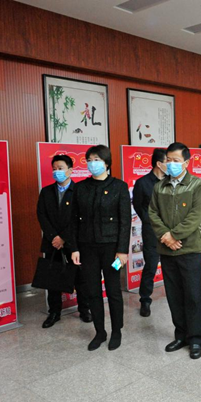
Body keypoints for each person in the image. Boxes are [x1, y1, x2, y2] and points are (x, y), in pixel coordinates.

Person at [149, 142, 201, 359]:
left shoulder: (196, 185)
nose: (171, 164)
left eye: (176, 160)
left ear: (186, 162)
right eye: (168, 160)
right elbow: (152, 213)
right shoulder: (159, 186)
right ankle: (181, 335)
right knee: (173, 296)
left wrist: (174, 236)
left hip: (188, 249)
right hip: (167, 250)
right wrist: (165, 236)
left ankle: (196, 339)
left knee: (192, 296)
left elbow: (195, 216)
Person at [71, 145, 131, 352]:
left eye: (96, 159)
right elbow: (73, 221)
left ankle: (116, 331)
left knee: (113, 291)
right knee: (93, 291)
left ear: (106, 163)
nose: (92, 163)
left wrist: (122, 251)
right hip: (87, 247)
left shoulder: (119, 187)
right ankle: (100, 332)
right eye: (89, 160)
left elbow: (125, 221)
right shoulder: (80, 187)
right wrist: (74, 248)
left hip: (111, 248)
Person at [36, 155, 91, 328]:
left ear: (70, 170)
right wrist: (54, 237)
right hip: (52, 242)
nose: (56, 171)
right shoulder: (46, 192)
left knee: (81, 278)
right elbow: (41, 215)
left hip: (74, 242)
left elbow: (79, 218)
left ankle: (84, 309)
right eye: (54, 168)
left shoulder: (79, 191)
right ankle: (54, 312)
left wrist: (64, 238)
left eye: (60, 168)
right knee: (53, 278)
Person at [132, 148, 167, 317]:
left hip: (171, 232)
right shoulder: (142, 183)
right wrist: (149, 221)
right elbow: (138, 206)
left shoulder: (171, 181)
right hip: (151, 231)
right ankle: (145, 300)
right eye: (168, 161)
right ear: (159, 164)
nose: (171, 165)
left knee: (172, 266)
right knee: (151, 266)